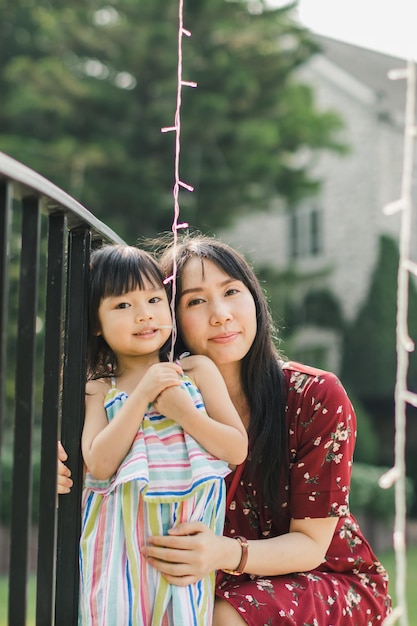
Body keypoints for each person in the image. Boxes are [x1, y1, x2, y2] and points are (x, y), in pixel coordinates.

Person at [59, 235, 391, 626]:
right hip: (198, 578)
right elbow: (102, 469)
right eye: (195, 300)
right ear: (173, 315)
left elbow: (311, 546)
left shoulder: (312, 396)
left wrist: (224, 553)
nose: (221, 314)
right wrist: (65, 471)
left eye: (232, 291)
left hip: (319, 578)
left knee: (225, 616)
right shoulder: (143, 396)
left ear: (254, 298)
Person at [75, 244, 248, 626]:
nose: (144, 315)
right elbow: (100, 464)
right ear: (96, 323)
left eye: (154, 299)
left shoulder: (196, 371)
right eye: (123, 305)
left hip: (184, 546)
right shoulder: (100, 389)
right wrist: (141, 395)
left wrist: (185, 413)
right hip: (120, 545)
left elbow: (235, 448)